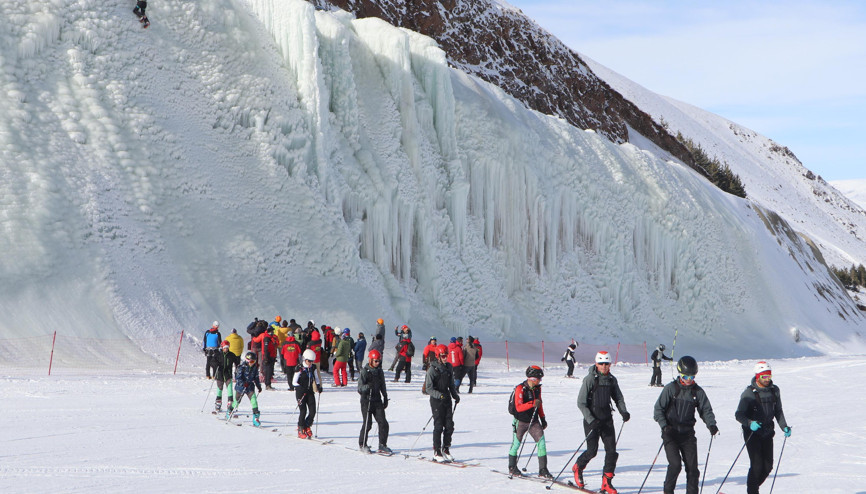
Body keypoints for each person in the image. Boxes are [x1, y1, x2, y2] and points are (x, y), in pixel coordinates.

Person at [653, 356, 719, 494]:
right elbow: (658, 410)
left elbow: (706, 410)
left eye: (691, 377)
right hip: (670, 433)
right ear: (679, 374)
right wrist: (665, 426)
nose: (688, 380)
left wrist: (711, 425)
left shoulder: (697, 392)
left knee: (692, 469)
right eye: (685, 376)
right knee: (675, 465)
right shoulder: (671, 389)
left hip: (687, 435)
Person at [573, 351, 630, 494]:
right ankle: (578, 467)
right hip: (592, 421)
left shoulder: (611, 380)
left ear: (610, 364)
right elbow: (581, 403)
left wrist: (623, 411)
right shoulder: (589, 379)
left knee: (611, 451)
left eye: (606, 363)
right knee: (592, 451)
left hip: (607, 420)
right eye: (601, 363)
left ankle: (606, 482)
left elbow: (618, 398)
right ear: (596, 364)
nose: (604, 366)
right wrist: (591, 420)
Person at [735, 361, 791, 494]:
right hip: (752, 433)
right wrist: (750, 423)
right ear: (757, 376)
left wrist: (784, 426)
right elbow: (739, 414)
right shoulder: (749, 393)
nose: (767, 379)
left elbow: (778, 411)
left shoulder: (774, 390)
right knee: (756, 465)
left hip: (767, 431)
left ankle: (752, 489)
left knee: (768, 466)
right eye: (764, 376)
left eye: (769, 376)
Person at [508, 365, 552, 479]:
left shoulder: (537, 389)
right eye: (539, 378)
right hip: (520, 421)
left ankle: (543, 469)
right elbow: (518, 407)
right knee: (516, 444)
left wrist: (543, 418)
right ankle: (512, 467)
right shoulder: (520, 389)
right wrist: (532, 403)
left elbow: (539, 404)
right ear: (533, 378)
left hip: (534, 421)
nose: (540, 380)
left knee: (541, 443)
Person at [425, 343, 460, 462]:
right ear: (438, 356)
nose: (446, 358)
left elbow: (451, 384)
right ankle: (437, 451)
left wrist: (455, 395)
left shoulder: (449, 367)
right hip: (436, 400)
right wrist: (438, 395)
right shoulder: (432, 369)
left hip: (447, 398)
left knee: (449, 425)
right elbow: (428, 389)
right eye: (443, 356)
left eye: (446, 355)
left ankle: (446, 449)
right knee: (439, 425)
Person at [357, 349, 391, 454]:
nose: (377, 363)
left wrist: (385, 396)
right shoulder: (365, 371)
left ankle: (382, 445)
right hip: (366, 400)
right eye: (376, 361)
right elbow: (359, 388)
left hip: (377, 400)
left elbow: (382, 385)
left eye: (379, 361)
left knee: (383, 423)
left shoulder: (379, 371)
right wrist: (367, 387)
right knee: (368, 424)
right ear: (371, 360)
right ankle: (362, 444)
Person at [293, 349, 322, 438]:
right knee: (303, 411)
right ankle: (300, 427)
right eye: (309, 361)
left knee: (313, 411)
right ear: (304, 359)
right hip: (301, 393)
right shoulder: (300, 368)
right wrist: (301, 389)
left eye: (312, 361)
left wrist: (318, 386)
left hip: (309, 392)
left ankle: (307, 425)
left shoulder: (313, 367)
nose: (310, 363)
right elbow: (294, 382)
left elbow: (316, 377)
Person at [229, 351, 262, 427]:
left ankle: (256, 418)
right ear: (247, 360)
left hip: (250, 387)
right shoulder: (241, 367)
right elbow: (238, 377)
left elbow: (256, 378)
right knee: (237, 402)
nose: (252, 363)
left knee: (254, 401)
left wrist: (258, 386)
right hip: (241, 387)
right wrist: (243, 383)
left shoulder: (254, 368)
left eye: (254, 361)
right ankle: (230, 410)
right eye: (251, 361)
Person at [213, 341, 238, 413]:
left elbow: (237, 362)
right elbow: (212, 362)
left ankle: (230, 404)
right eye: (224, 348)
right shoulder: (218, 354)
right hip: (220, 374)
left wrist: (238, 367)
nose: (226, 349)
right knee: (219, 389)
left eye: (227, 348)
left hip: (228, 374)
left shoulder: (231, 355)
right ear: (222, 348)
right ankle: (218, 404)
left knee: (230, 389)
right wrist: (216, 364)